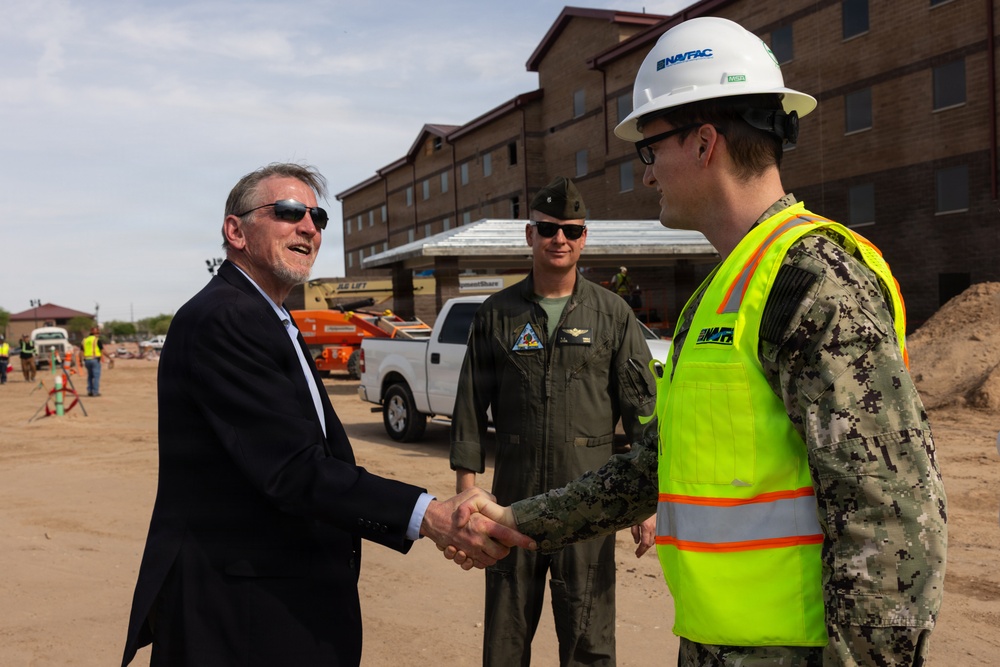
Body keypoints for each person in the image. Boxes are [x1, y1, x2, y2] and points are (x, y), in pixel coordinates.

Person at [451, 16, 947, 667]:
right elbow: (655, 469)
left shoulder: (812, 281)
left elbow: (892, 517)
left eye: (649, 150)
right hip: (716, 648)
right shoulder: (722, 294)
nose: (648, 174)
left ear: (705, 142)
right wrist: (518, 520)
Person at [121, 163, 534, 667]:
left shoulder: (269, 317)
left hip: (278, 600)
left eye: (317, 216)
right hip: (241, 614)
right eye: (288, 212)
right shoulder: (226, 317)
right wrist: (428, 515)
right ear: (236, 231)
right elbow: (291, 468)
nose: (309, 227)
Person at [450, 176, 657, 666]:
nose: (558, 239)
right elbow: (469, 408)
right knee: (505, 637)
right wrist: (467, 495)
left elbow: (643, 409)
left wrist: (646, 500)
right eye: (548, 230)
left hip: (590, 498)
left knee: (589, 639)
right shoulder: (497, 315)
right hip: (511, 502)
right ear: (530, 235)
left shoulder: (613, 314)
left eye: (570, 229)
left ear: (584, 237)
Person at [81, 326, 105, 396]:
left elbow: (81, 351)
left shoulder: (85, 340)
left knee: (90, 376)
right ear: (96, 333)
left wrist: (80, 360)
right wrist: (110, 358)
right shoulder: (97, 340)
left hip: (87, 360)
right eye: (98, 332)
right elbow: (102, 350)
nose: (98, 334)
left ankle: (90, 391)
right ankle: (95, 392)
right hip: (95, 360)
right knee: (96, 376)